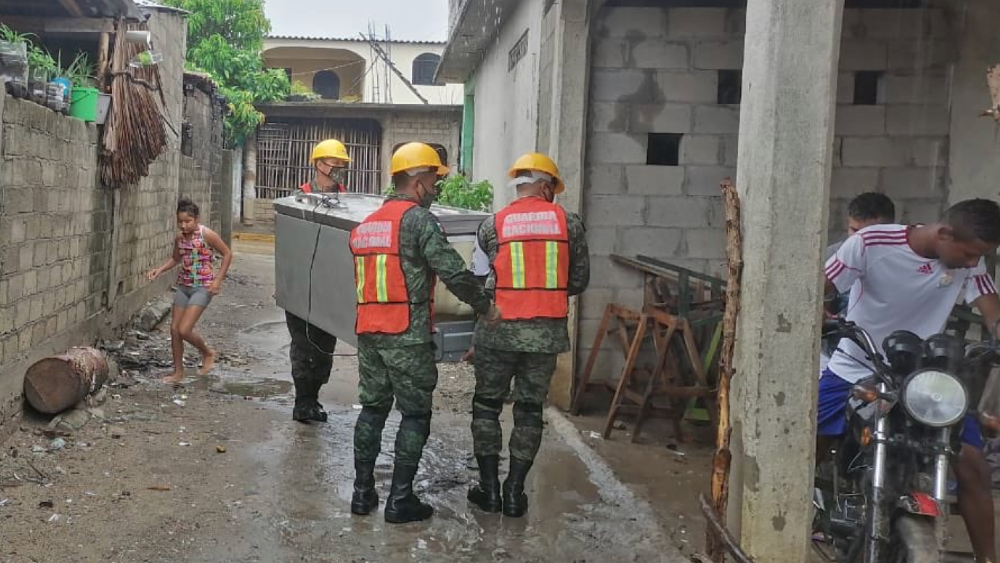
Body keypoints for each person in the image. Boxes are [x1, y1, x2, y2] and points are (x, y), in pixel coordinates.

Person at [820, 199, 1000, 563]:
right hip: (856, 365)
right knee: (804, 441)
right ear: (945, 233)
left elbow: (989, 301)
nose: (971, 263)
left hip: (923, 380)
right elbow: (821, 286)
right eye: (969, 254)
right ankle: (806, 510)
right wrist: (818, 310)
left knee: (973, 464)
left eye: (978, 256)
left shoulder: (970, 258)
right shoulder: (871, 243)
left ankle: (988, 559)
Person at [348, 142, 498, 524]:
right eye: (434, 179)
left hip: (369, 332)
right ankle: (400, 501)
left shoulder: (368, 224)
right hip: (406, 335)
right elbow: (452, 270)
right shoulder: (417, 221)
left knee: (372, 410)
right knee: (415, 415)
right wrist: (485, 305)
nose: (436, 188)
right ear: (417, 181)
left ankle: (362, 494)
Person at [467, 153, 590, 517]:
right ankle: (516, 493)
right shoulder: (569, 224)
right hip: (544, 334)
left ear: (519, 185)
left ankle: (489, 491)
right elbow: (579, 280)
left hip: (497, 331)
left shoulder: (493, 225)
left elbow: (479, 279)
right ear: (546, 186)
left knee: (487, 406)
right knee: (529, 409)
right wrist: (545, 289)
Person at [284, 139, 352, 423]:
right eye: (333, 163)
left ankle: (314, 398)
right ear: (318, 164)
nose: (338, 168)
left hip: (332, 288)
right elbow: (286, 246)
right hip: (301, 287)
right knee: (302, 347)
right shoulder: (298, 198)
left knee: (324, 351)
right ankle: (303, 402)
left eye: (342, 164)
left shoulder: (349, 201)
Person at [147, 197, 233, 384]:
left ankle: (207, 353)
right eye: (180, 222)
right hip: (184, 286)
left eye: (188, 221)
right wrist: (159, 270)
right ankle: (178, 372)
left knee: (185, 329)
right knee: (174, 330)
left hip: (203, 287)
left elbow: (227, 253)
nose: (184, 226)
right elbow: (176, 258)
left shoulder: (206, 234)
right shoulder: (179, 238)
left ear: (196, 219)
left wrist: (218, 280)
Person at [820, 193, 895, 371]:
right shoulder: (831, 255)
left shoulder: (900, 261)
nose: (859, 240)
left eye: (869, 234)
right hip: (833, 352)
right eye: (854, 230)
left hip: (885, 356)